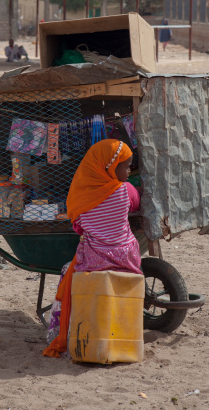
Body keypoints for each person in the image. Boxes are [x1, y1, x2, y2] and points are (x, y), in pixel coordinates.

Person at [43, 139, 142, 358]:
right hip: (127, 258)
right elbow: (135, 204)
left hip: (94, 260)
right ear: (109, 167)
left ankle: (63, 330)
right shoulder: (126, 190)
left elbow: (78, 227)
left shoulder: (80, 197)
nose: (128, 171)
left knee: (67, 270)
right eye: (125, 166)